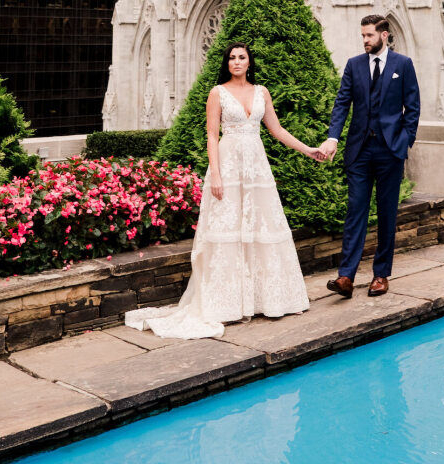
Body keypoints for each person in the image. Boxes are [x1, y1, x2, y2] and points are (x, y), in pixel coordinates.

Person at [126, 41, 320, 339]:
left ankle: (269, 299)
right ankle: (225, 306)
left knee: (261, 229)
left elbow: (277, 130)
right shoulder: (217, 93)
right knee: (227, 231)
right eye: (232, 58)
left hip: (256, 169)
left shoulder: (261, 92)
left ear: (249, 62)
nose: (237, 62)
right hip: (228, 168)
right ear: (227, 63)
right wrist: (216, 175)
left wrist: (308, 150)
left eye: (242, 57)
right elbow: (212, 136)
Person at [318, 15, 421, 297]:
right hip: (359, 150)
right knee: (355, 212)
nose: (365, 41)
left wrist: (404, 142)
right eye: (362, 36)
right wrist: (333, 137)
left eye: (369, 36)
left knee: (387, 213)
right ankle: (346, 277)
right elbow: (342, 104)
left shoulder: (403, 65)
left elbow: (412, 107)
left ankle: (380, 275)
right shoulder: (354, 65)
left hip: (390, 151)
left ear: (384, 35)